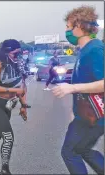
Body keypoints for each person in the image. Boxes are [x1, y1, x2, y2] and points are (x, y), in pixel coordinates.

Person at [52, 6, 104, 174]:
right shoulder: (85, 50)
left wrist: (72, 88)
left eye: (68, 27)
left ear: (80, 27)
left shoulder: (95, 49)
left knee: (69, 152)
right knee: (83, 149)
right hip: (88, 115)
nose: (66, 31)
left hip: (94, 117)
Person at [0, 39, 27, 174]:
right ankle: (5, 169)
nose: (18, 56)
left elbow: (22, 87)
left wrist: (23, 105)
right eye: (15, 53)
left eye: (19, 53)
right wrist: (14, 91)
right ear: (7, 52)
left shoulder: (18, 64)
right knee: (8, 136)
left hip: (7, 106)